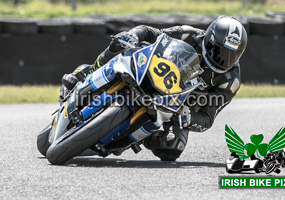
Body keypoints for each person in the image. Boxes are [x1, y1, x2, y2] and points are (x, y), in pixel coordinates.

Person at [62, 15, 248, 161]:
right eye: (220, 51)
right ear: (209, 39)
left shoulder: (230, 81)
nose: (223, 59)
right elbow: (151, 33)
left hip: (174, 108)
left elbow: (208, 117)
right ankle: (87, 74)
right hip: (151, 74)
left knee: (171, 148)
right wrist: (134, 35)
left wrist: (188, 117)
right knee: (119, 44)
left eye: (232, 55)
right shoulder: (188, 34)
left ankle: (129, 136)